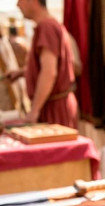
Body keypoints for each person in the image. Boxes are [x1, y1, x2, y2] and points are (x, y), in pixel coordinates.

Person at [6, 0, 78, 128]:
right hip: (54, 106)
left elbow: (49, 72)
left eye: (20, 0)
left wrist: (34, 110)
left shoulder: (47, 27)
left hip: (54, 110)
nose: (18, 5)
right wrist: (22, 73)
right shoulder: (48, 25)